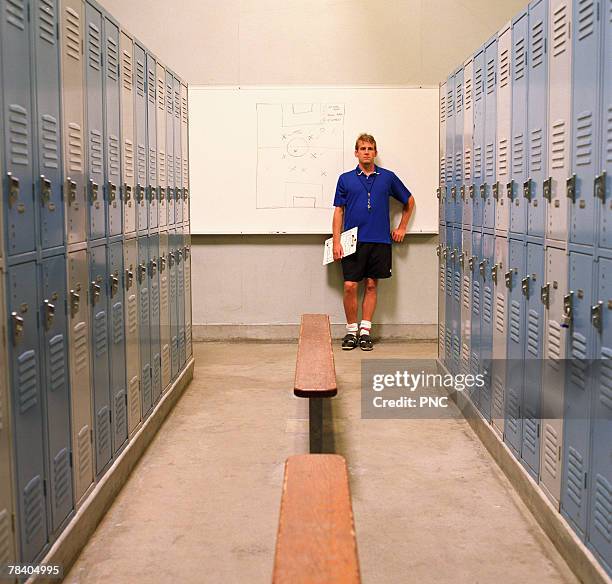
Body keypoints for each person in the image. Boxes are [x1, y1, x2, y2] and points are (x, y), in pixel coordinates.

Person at [332, 133, 415, 351]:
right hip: (352, 241)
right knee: (350, 286)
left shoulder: (387, 177)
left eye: (370, 149)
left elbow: (409, 201)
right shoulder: (345, 179)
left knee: (371, 285)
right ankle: (351, 330)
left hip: (379, 240)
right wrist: (336, 241)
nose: (366, 152)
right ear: (356, 152)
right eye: (362, 149)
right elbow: (338, 212)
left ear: (375, 153)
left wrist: (402, 227)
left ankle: (365, 331)